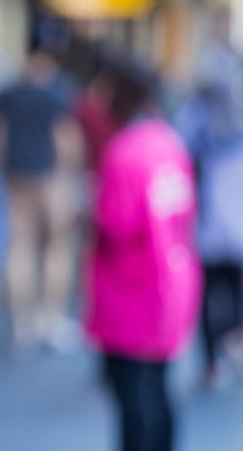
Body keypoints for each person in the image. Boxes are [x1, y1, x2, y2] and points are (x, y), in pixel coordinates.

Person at [82, 56, 201, 451]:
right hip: (172, 280)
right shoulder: (167, 141)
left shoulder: (124, 152)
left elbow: (115, 223)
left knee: (133, 397)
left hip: (132, 289)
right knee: (160, 389)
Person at [0, 28, 84, 354]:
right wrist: (72, 177)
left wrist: (1, 167)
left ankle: (21, 325)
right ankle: (51, 319)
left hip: (15, 178)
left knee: (19, 247)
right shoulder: (57, 94)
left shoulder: (8, 93)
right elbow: (65, 141)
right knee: (57, 247)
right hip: (50, 179)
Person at [173, 32, 243, 389]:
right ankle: (234, 339)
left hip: (207, 222)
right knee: (236, 287)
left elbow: (178, 157)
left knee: (207, 293)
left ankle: (213, 360)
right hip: (233, 223)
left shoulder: (193, 117)